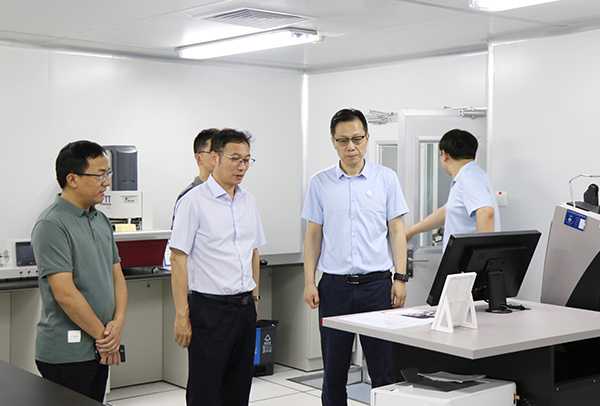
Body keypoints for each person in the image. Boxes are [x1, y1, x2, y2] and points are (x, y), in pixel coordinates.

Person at [302, 108, 409, 406]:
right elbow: (313, 236)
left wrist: (400, 278)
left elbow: (396, 230)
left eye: (357, 139)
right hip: (334, 288)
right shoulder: (320, 183)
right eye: (343, 140)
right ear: (333, 142)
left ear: (367, 138)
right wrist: (309, 282)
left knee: (384, 368)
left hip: (377, 287)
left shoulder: (386, 179)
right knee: (334, 370)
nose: (351, 146)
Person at [170, 128, 266, 406]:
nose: (242, 166)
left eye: (246, 160)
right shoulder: (193, 201)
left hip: (244, 309)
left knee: (239, 388)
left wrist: (255, 299)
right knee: (205, 390)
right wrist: (182, 315)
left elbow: (253, 252)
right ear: (214, 157)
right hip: (210, 310)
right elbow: (177, 258)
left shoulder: (249, 201)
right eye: (235, 159)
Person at [30, 140, 128, 402]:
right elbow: (65, 294)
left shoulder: (100, 219)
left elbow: (117, 277)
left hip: (99, 346)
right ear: (72, 179)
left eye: (108, 174)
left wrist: (118, 323)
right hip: (67, 354)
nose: (107, 182)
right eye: (100, 175)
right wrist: (105, 338)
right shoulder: (51, 224)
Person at [405, 129, 500, 250]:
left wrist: (482, 256)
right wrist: (411, 231)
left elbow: (486, 212)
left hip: (469, 260)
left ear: (445, 155)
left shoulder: (469, 178)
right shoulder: (472, 176)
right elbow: (446, 211)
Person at [171, 128, 218, 226]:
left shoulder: (230, 193)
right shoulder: (189, 196)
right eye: (213, 153)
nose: (218, 158)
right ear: (199, 158)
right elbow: (179, 234)